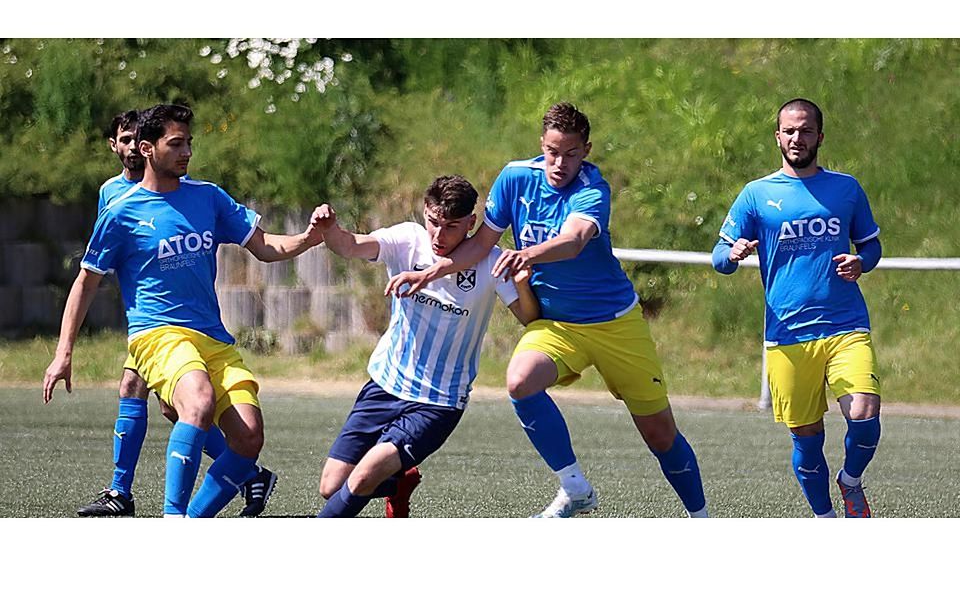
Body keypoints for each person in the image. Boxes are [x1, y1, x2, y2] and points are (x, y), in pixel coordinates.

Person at [385, 103, 708, 518]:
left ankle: (702, 520)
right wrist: (430, 273)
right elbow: (481, 243)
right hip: (556, 325)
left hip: (615, 323)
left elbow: (574, 241)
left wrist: (529, 255)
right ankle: (575, 487)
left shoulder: (593, 190)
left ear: (586, 150)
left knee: (660, 435)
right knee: (520, 380)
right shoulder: (516, 177)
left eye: (571, 153)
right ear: (542, 145)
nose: (560, 163)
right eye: (553, 151)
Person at [42, 103, 325, 517]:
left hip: (212, 335)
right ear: (148, 148)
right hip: (156, 334)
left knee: (248, 439)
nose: (187, 151)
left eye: (189, 142)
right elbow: (86, 281)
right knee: (196, 401)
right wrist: (63, 352)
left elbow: (264, 246)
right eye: (176, 143)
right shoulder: (120, 212)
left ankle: (195, 519)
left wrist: (309, 237)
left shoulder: (208, 197)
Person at [314, 175, 539, 517]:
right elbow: (350, 245)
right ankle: (398, 482)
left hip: (438, 401)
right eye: (433, 222)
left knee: (361, 478)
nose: (438, 235)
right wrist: (330, 229)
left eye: (451, 226)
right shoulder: (407, 240)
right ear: (424, 213)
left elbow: (529, 317)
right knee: (331, 485)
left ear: (471, 223)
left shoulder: (491, 262)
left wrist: (522, 284)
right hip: (385, 385)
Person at [712, 98, 882, 518]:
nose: (796, 138)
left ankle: (851, 481)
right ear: (777, 136)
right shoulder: (757, 194)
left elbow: (871, 244)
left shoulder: (846, 188)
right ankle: (824, 519)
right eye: (789, 130)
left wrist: (863, 261)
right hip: (787, 333)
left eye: (805, 130)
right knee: (807, 441)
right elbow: (718, 256)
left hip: (845, 324)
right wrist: (732, 254)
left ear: (819, 137)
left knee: (863, 410)